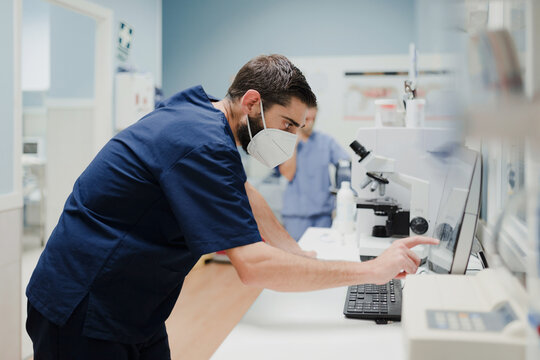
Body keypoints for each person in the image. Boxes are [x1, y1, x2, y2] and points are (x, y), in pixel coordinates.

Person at [26, 54, 438, 359]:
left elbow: (244, 191)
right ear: (253, 102)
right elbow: (253, 267)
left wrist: (296, 252)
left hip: (133, 308)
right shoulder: (202, 141)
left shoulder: (204, 117)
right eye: (288, 125)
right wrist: (372, 271)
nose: (291, 139)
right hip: (83, 304)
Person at [279, 105, 350, 241]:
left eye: (313, 118)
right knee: (296, 258)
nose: (310, 122)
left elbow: (345, 164)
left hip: (322, 214)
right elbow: (287, 174)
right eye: (306, 119)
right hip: (296, 215)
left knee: (321, 254)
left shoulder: (326, 141)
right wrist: (293, 143)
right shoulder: (287, 142)